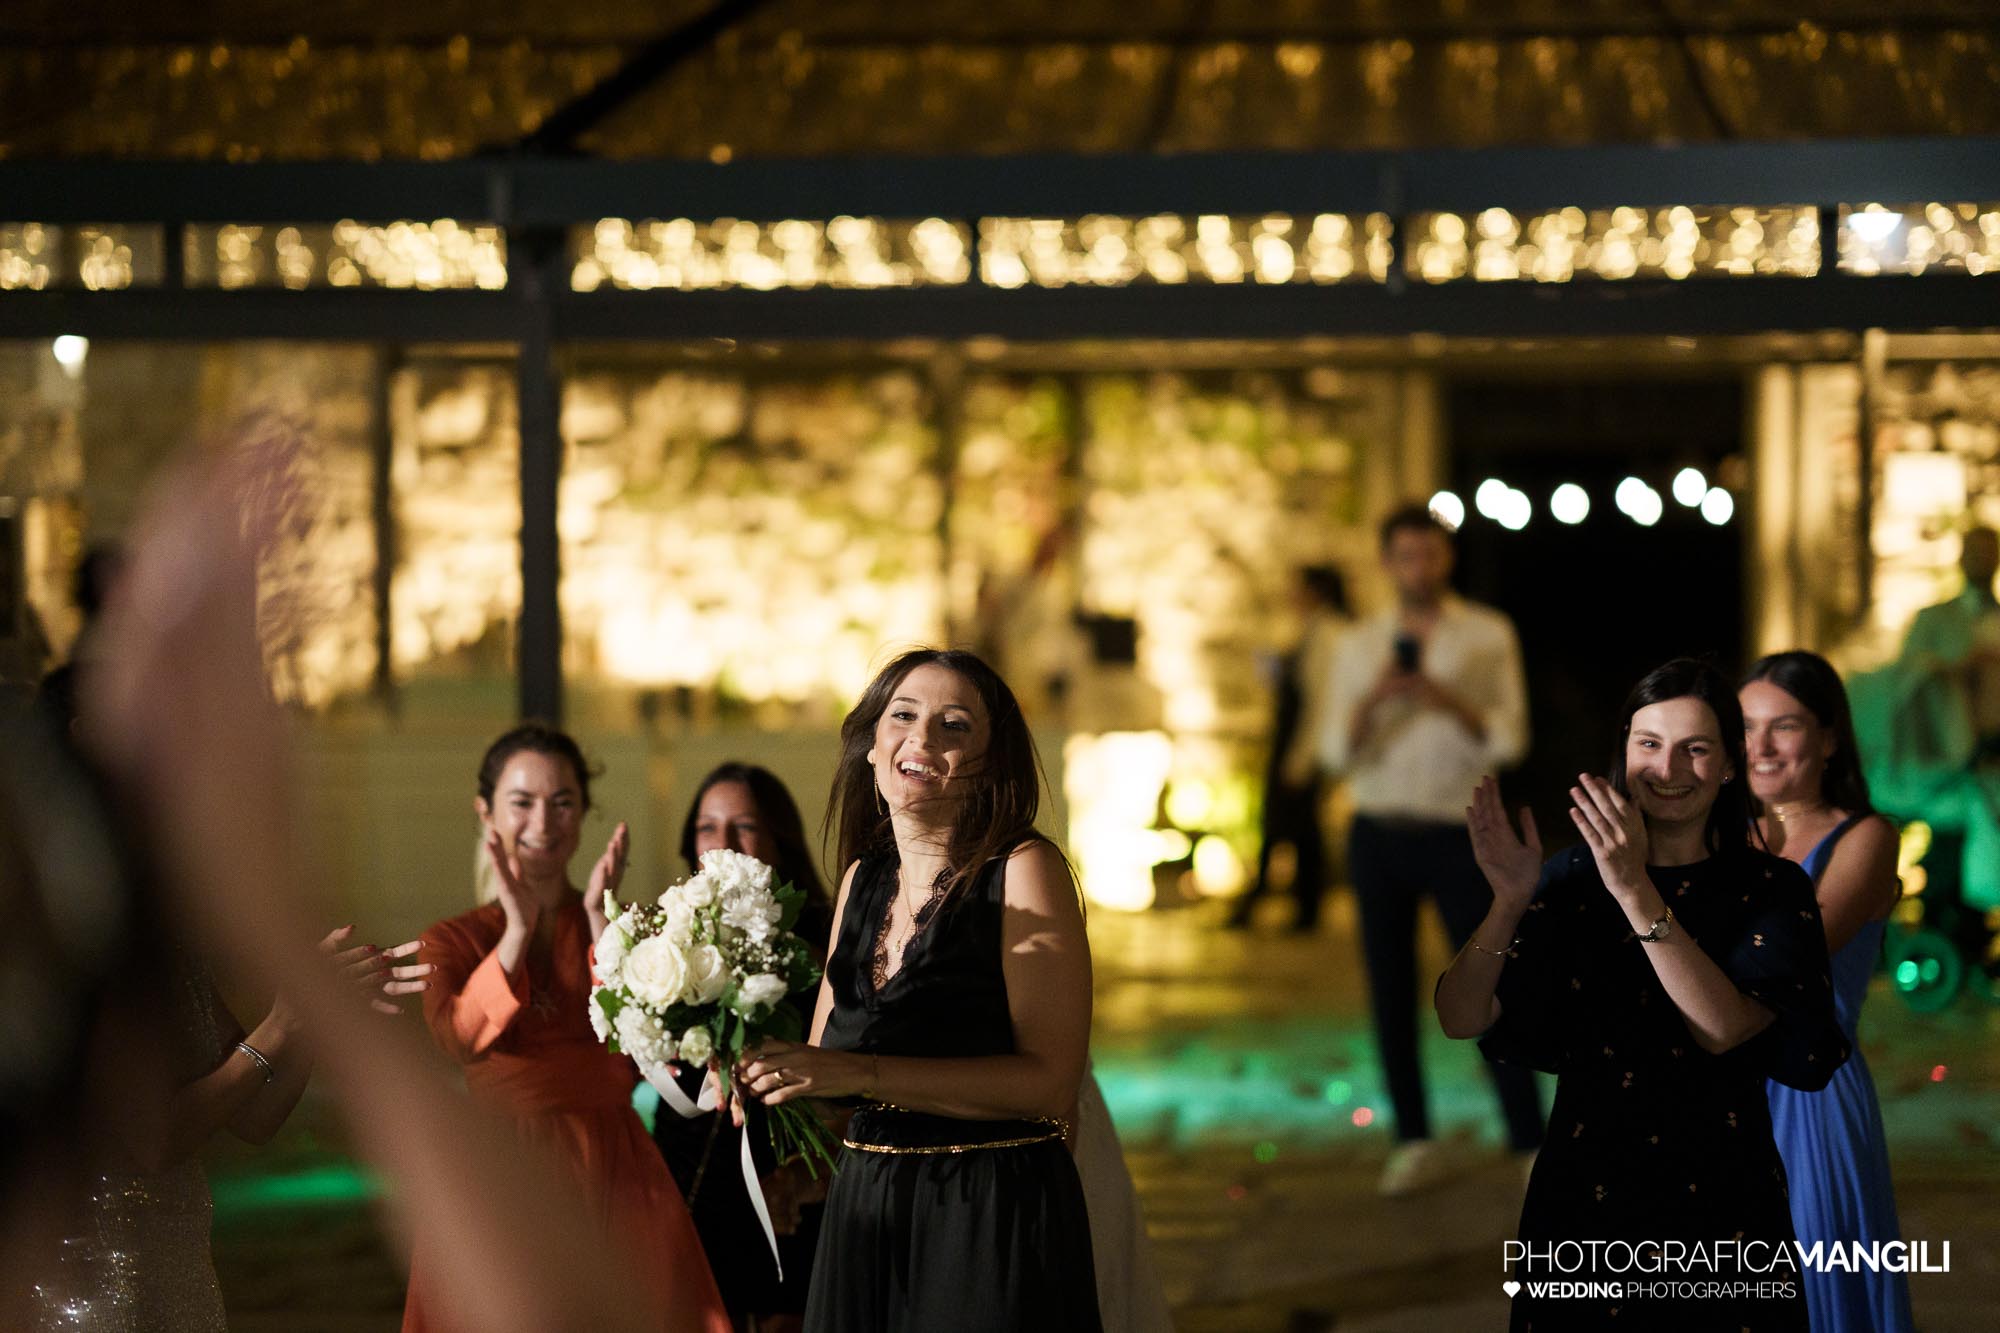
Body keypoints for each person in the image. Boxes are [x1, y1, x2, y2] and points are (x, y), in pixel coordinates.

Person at [1437, 658, 1849, 1332]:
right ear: (1623, 754)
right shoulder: (1571, 877)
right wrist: (1508, 903)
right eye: (1649, 744)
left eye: (1695, 747)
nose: (1669, 768)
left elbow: (1722, 1028)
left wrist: (1634, 889)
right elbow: (1460, 1017)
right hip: (1584, 1184)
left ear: (1727, 765)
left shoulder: (1771, 888)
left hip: (1720, 1189)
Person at [733, 648, 1100, 1331]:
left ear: (990, 763)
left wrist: (857, 1071)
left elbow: (1050, 1083)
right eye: (903, 715)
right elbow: (829, 1084)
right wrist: (766, 1087)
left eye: (954, 725)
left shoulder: (1024, 869)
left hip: (987, 1213)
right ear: (872, 747)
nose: (923, 737)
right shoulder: (861, 882)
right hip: (867, 1217)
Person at [405, 725, 729, 1333]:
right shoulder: (451, 939)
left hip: (618, 1161)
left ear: (583, 813)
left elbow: (646, 1052)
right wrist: (517, 933)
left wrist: (602, 928)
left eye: (562, 803)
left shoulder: (620, 929)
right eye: (522, 803)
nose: (544, 823)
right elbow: (459, 1039)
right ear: (487, 812)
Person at [1317, 503, 1541, 1193]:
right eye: (1406, 555)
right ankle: (1413, 1136)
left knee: (1489, 981)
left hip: (1458, 830)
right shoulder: (1357, 643)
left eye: (1431, 554)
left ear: (1448, 558)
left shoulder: (1488, 632)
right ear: (1386, 562)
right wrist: (1375, 699)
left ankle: (1528, 1135)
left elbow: (1512, 738)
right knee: (1388, 990)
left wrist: (1451, 700)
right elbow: (1332, 750)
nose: (1420, 568)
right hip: (1379, 829)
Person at [1743, 651, 1914, 1332]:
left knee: (1815, 1287)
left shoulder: (1866, 836)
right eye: (1745, 726)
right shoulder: (1721, 835)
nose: (1759, 746)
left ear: (1828, 736)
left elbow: (1792, 958)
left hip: (1809, 1093)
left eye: (1782, 725)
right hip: (1718, 1087)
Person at [652, 763, 832, 1333]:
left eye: (744, 825)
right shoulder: (666, 941)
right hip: (687, 1182)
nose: (723, 843)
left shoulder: (826, 943)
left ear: (780, 838)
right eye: (707, 827)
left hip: (787, 1188)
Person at [1230, 563, 1349, 933]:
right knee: (1292, 825)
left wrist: (1303, 756)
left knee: (1295, 825)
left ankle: (1291, 904)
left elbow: (1321, 699)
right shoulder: (1309, 630)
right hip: (1293, 739)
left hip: (1300, 742)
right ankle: (1288, 903)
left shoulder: (1328, 633)